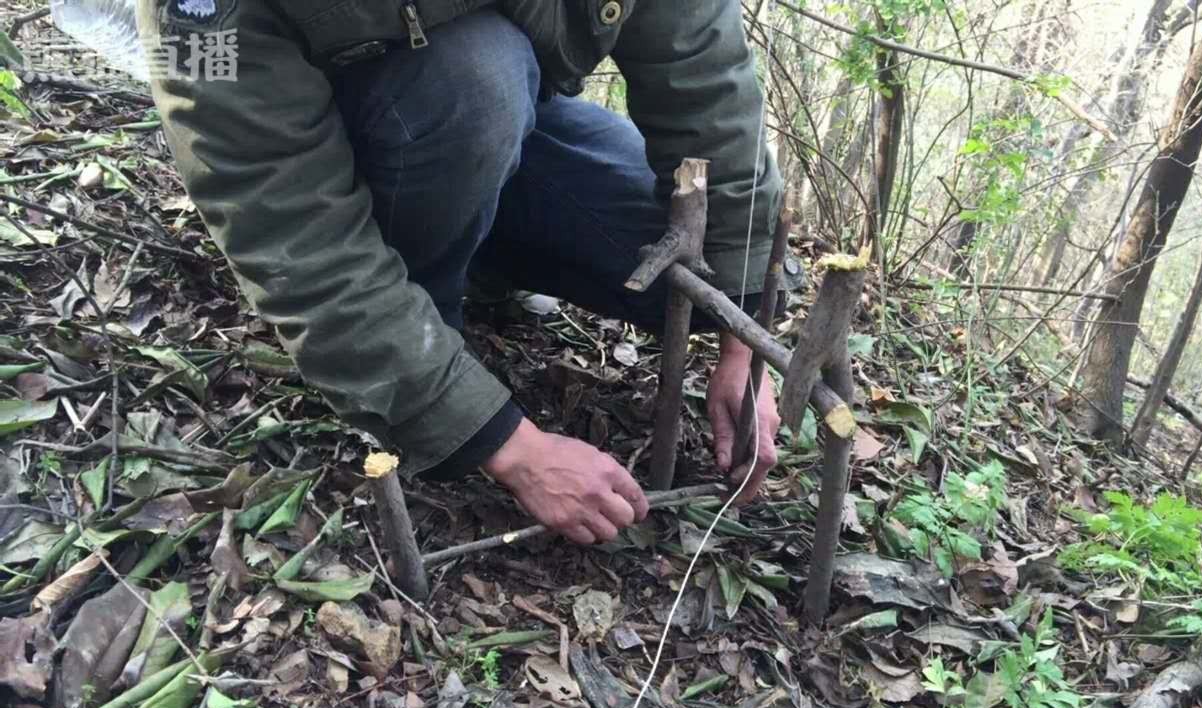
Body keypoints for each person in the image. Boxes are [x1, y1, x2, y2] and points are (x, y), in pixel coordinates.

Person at [139, 0, 796, 545]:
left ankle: (482, 246)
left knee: (688, 280)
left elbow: (705, 82)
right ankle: (422, 308)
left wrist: (742, 329)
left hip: (516, 130)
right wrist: (506, 444)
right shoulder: (195, 17)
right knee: (477, 79)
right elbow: (289, 235)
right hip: (372, 161)